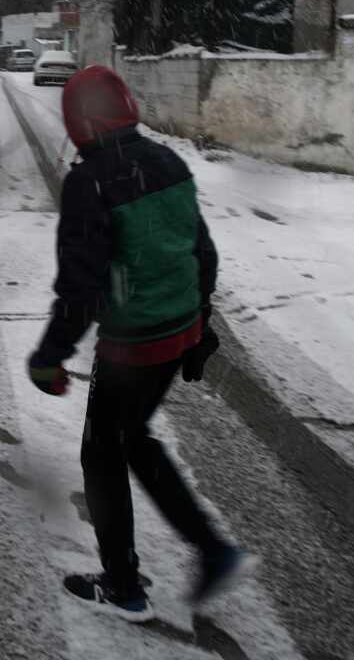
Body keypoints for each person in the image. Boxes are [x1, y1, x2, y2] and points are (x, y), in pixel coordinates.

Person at [27, 66, 249, 622]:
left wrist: (49, 357)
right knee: (132, 439)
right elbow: (202, 251)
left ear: (79, 121)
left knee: (102, 454)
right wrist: (201, 322)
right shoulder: (168, 161)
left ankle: (124, 586)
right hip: (178, 332)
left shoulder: (91, 181)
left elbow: (81, 289)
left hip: (133, 345)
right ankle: (211, 549)